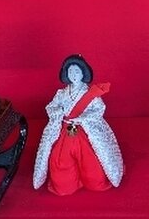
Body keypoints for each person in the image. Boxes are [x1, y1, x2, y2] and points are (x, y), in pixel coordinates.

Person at [33, 54, 124, 195]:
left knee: (92, 164)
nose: (74, 75)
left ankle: (91, 180)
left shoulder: (90, 93)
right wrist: (58, 111)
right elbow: (51, 107)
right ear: (66, 74)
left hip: (85, 130)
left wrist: (83, 118)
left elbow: (99, 109)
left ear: (83, 72)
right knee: (61, 167)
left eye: (77, 71)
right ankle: (67, 183)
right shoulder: (62, 93)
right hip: (65, 131)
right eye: (70, 71)